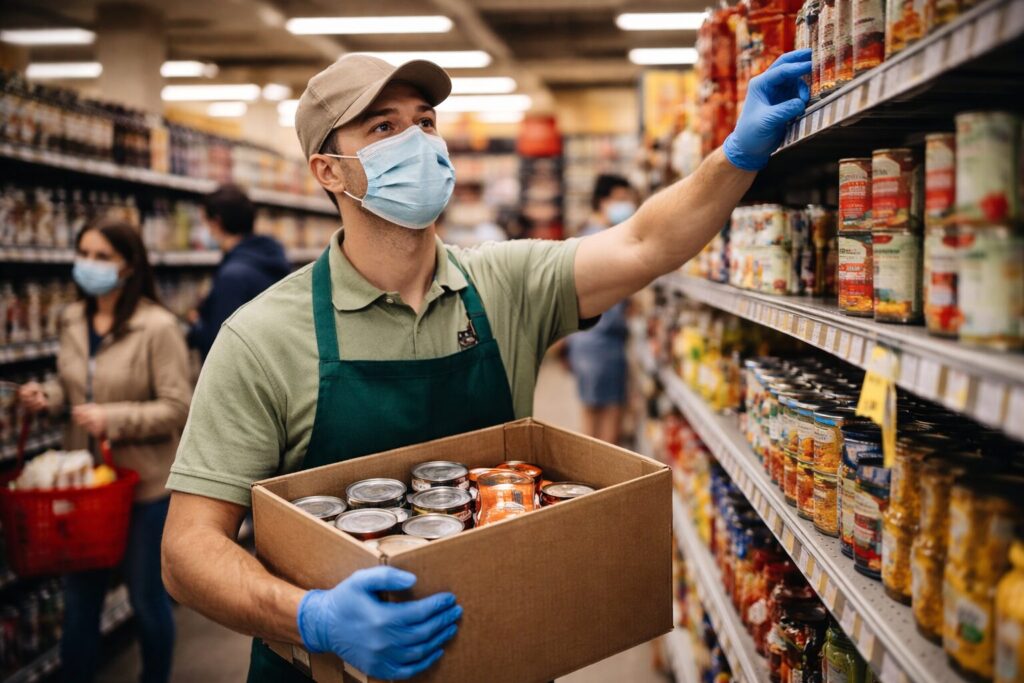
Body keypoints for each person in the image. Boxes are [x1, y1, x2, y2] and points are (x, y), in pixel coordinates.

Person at [160, 49, 812, 682]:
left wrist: (735, 157)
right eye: (384, 127)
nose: (417, 141)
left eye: (424, 121)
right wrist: (310, 615)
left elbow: (644, 243)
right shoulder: (263, 336)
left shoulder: (505, 284)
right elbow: (187, 551)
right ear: (329, 171)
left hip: (497, 644)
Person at [18, 219, 192, 683]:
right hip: (85, 487)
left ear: (129, 265)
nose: (88, 265)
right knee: (79, 602)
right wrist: (50, 396)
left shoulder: (157, 327)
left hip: (143, 486)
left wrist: (111, 418)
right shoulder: (72, 319)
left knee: (146, 600)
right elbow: (77, 387)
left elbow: (178, 407)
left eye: (101, 257)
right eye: (84, 254)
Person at [566, 174, 637, 444]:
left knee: (591, 409)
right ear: (601, 201)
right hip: (602, 340)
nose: (626, 206)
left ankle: (590, 474)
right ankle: (604, 478)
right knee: (607, 415)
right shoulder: (603, 239)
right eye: (620, 200)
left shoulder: (586, 234)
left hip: (586, 339)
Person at [186, 184, 291, 359]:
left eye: (204, 222)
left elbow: (220, 345)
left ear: (217, 223)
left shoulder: (233, 277)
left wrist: (197, 326)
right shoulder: (270, 257)